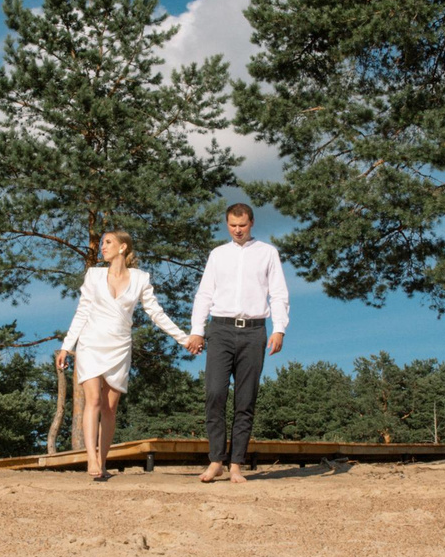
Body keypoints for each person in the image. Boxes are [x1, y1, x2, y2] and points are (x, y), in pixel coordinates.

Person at [54, 230, 188, 482]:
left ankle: (102, 461)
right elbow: (82, 313)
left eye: (108, 242)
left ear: (123, 247)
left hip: (119, 347)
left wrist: (183, 338)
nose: (102, 247)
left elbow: (156, 314)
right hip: (91, 343)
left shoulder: (140, 279)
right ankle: (91, 458)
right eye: (102, 243)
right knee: (92, 400)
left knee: (110, 407)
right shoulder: (93, 275)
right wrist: (66, 346)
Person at [185, 202, 289, 484]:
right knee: (215, 393)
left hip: (254, 331)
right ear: (227, 224)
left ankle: (236, 465)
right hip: (220, 329)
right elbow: (204, 294)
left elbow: (278, 293)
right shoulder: (217, 255)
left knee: (245, 400)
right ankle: (216, 460)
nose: (238, 230)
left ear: (251, 223)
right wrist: (197, 330)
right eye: (232, 225)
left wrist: (279, 328)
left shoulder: (268, 253)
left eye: (242, 225)